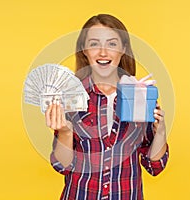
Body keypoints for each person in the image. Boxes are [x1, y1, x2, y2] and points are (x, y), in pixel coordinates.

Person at [45, 14, 169, 200]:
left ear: (123, 49)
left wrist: (160, 132)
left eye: (112, 44)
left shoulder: (140, 95)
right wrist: (65, 132)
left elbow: (154, 166)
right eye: (94, 44)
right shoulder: (71, 97)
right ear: (84, 50)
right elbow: (62, 166)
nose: (103, 52)